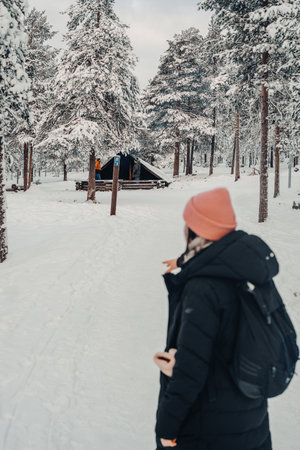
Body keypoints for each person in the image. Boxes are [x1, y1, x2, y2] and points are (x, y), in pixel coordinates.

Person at [154, 187, 273, 450]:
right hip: (250, 417)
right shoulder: (242, 269)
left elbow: (191, 369)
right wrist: (183, 261)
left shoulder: (203, 289)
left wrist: (167, 427)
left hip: (209, 426)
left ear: (196, 231)